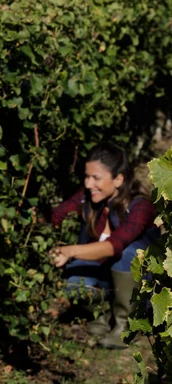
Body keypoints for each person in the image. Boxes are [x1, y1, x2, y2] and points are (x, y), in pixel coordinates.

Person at [50, 142, 159, 349]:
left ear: (118, 179)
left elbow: (114, 246)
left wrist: (69, 250)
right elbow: (55, 216)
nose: (89, 184)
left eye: (96, 178)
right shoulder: (88, 198)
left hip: (141, 285)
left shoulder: (140, 206)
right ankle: (101, 314)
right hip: (105, 275)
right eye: (86, 177)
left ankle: (126, 325)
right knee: (74, 281)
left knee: (129, 253)